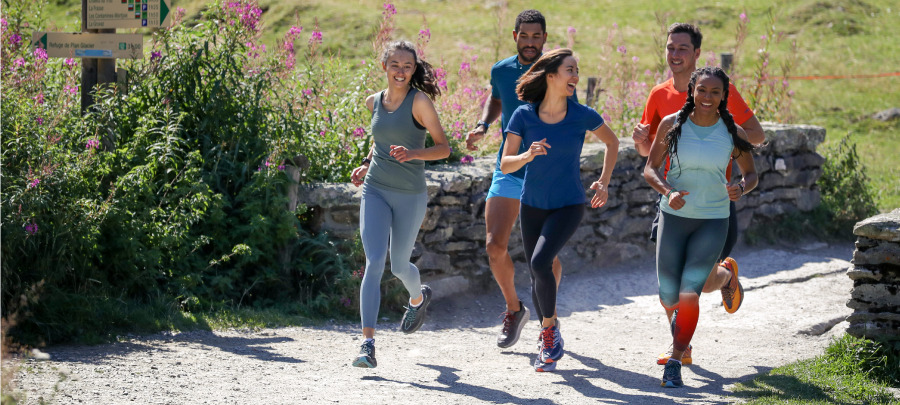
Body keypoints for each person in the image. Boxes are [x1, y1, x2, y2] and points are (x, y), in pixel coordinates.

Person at [632, 23, 766, 365]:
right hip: (673, 201)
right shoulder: (658, 95)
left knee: (704, 283)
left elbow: (757, 136)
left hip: (715, 204)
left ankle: (725, 275)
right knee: (673, 281)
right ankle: (681, 348)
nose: (674, 54)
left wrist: (725, 143)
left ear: (695, 54)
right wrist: (639, 142)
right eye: (670, 48)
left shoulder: (720, 90)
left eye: (682, 49)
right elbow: (649, 154)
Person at [501, 48, 620, 372]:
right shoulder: (523, 116)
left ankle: (549, 333)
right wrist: (527, 155)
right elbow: (505, 163)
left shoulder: (581, 114)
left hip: (569, 204)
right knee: (539, 271)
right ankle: (547, 334)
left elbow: (612, 142)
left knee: (540, 262)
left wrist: (604, 181)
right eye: (570, 70)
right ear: (551, 76)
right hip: (532, 205)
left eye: (577, 71)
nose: (575, 76)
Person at [465, 9, 575, 349]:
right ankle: (514, 310)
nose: (530, 42)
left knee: (545, 256)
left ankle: (547, 321)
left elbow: (573, 116)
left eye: (536, 36)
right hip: (510, 166)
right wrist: (484, 124)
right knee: (494, 246)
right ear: (515, 36)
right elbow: (498, 98)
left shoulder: (556, 70)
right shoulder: (502, 69)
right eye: (524, 36)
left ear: (544, 37)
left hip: (545, 172)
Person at [348, 40, 451, 368]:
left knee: (398, 265)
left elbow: (444, 147)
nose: (401, 71)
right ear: (384, 66)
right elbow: (379, 139)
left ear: (413, 69)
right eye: (395, 65)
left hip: (409, 195)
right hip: (375, 189)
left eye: (407, 66)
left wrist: (414, 154)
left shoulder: (419, 102)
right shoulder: (373, 102)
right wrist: (366, 163)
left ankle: (417, 298)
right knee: (375, 261)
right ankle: (367, 344)